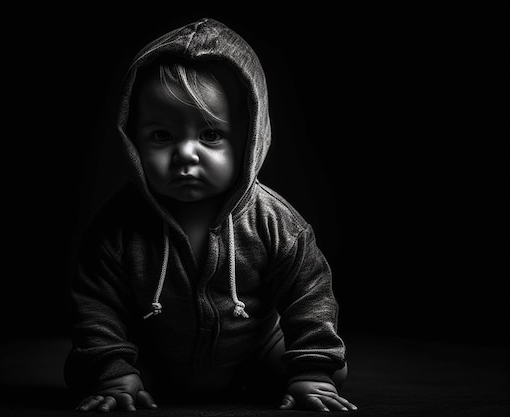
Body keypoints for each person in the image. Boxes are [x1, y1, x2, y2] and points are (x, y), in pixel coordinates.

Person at [64, 17, 357, 412]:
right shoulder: (117, 227)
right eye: (162, 136)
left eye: (210, 134)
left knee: (326, 367)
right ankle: (123, 381)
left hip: (255, 358)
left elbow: (310, 297)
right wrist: (112, 368)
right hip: (155, 362)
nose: (186, 153)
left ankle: (301, 380)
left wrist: (313, 368)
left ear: (250, 138)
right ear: (132, 139)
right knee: (88, 368)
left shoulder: (275, 223)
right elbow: (95, 304)